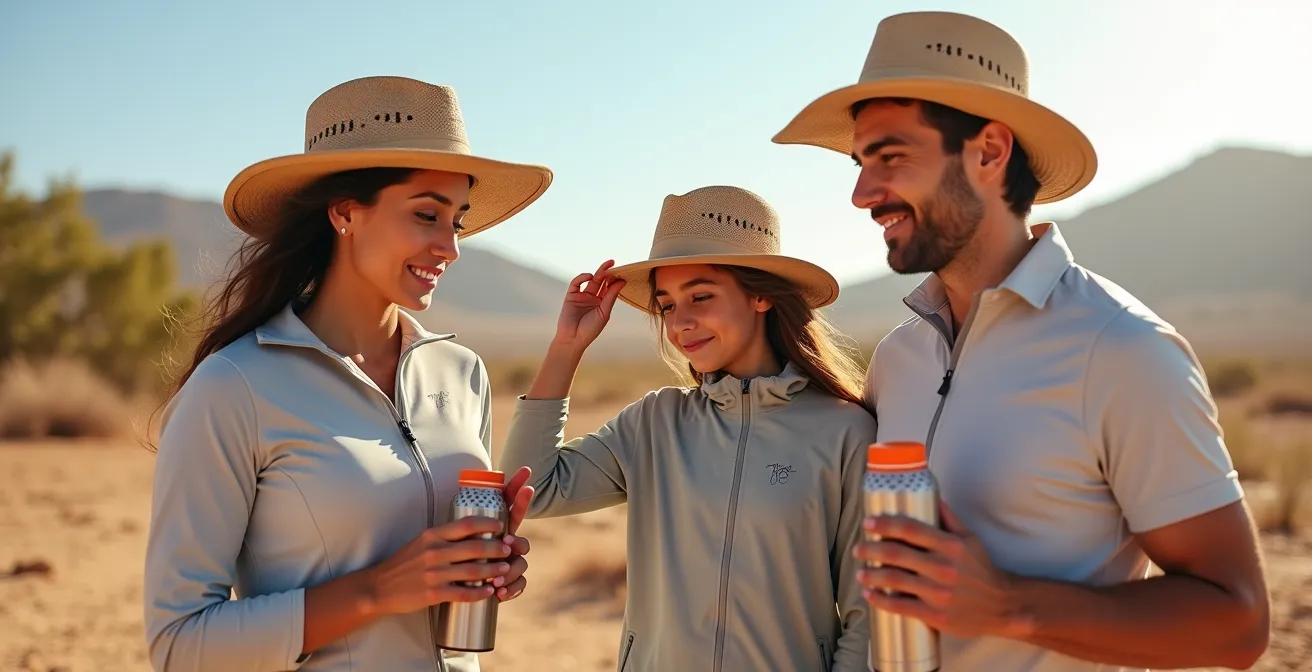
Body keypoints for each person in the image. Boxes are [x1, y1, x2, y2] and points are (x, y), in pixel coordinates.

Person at [772, 10, 1271, 672]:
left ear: (988, 152)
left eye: (889, 156)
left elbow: (1237, 625)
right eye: (861, 162)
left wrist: (1008, 606)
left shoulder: (1123, 351)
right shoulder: (897, 359)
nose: (863, 194)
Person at [142, 75, 553, 672]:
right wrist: (381, 589)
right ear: (344, 214)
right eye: (426, 215)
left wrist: (486, 567)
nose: (451, 247)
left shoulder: (461, 373)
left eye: (457, 221)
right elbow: (180, 645)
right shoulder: (235, 386)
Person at [498, 185, 877, 671]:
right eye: (668, 304)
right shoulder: (655, 423)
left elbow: (867, 615)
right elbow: (532, 487)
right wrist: (567, 347)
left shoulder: (844, 433)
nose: (682, 323)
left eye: (701, 296)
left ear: (761, 294)